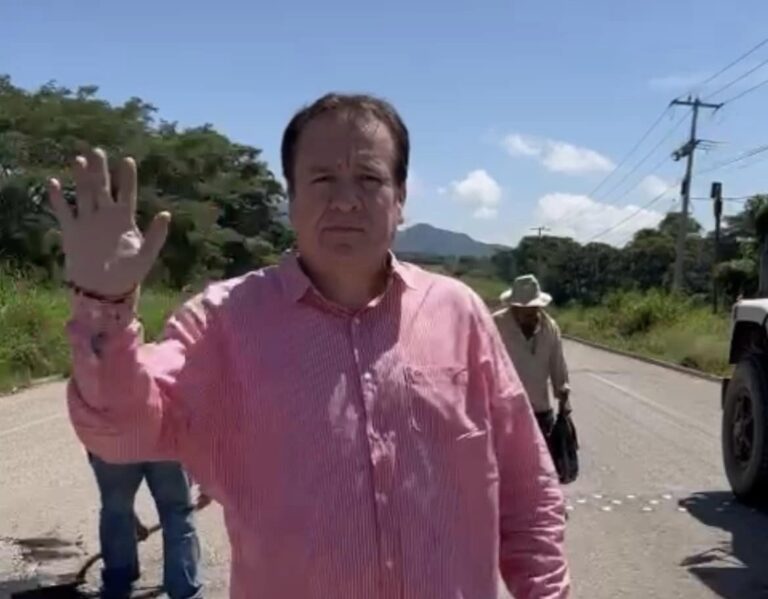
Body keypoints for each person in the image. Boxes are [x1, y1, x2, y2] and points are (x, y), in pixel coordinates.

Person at [49, 93, 569, 598]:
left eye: (369, 178)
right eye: (322, 179)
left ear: (401, 198)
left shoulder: (459, 312)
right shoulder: (222, 323)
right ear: (291, 197)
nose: (345, 199)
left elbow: (527, 489)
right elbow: (120, 433)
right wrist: (104, 309)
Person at [86, 454, 203, 599]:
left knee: (116, 513)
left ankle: (117, 586)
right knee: (177, 515)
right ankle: (183, 589)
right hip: (163, 443)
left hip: (115, 443)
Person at [493, 274, 571, 438]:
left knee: (543, 462)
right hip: (505, 410)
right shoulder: (496, 324)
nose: (533, 314)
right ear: (514, 307)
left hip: (539, 410)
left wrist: (564, 400)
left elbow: (558, 365)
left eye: (535, 308)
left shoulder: (549, 327)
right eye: (526, 311)